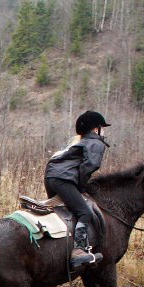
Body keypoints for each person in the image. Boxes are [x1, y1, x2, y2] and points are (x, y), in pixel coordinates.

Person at [44, 111, 111, 268]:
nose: (104, 131)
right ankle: (78, 251)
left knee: (67, 211)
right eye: (103, 128)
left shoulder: (77, 143)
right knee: (84, 212)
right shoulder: (95, 143)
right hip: (64, 180)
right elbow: (90, 165)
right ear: (96, 129)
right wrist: (81, 187)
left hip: (51, 178)